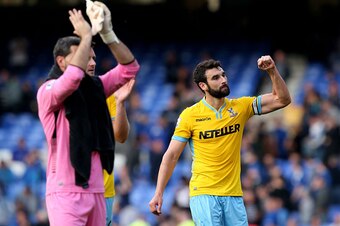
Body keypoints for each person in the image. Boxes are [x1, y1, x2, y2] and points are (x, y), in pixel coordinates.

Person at [149, 56, 291, 225]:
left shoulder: (240, 107)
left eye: (223, 75)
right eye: (216, 78)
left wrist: (272, 71)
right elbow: (171, 155)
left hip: (234, 195)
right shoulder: (190, 115)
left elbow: (282, 99)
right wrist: (159, 192)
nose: (223, 80)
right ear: (203, 86)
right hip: (204, 193)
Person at [36, 5, 140, 226]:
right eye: (83, 55)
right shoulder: (48, 91)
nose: (91, 62)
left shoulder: (95, 87)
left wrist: (107, 34)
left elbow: (129, 68)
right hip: (65, 192)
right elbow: (71, 81)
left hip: (97, 190)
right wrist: (85, 36)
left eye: (93, 57)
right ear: (61, 61)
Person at [104, 79, 135, 226]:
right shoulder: (63, 92)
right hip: (73, 187)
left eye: (93, 58)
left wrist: (120, 103)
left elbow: (121, 137)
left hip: (105, 189)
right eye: (87, 57)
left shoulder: (107, 94)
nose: (92, 63)